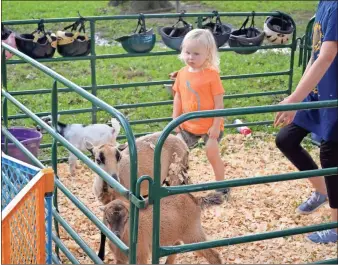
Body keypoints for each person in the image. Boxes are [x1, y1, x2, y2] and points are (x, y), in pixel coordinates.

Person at [274, 0, 337, 244]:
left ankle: (336, 228)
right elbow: (316, 54)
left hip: (334, 93)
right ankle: (322, 191)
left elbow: (328, 56)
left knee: (331, 155)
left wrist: (294, 99)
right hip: (320, 91)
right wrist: (298, 95)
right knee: (286, 139)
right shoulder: (325, 3)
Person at [170, 28, 229, 195]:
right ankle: (179, 185)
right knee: (177, 153)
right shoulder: (181, 73)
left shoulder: (212, 75)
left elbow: (219, 103)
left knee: (212, 154)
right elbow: (178, 96)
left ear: (208, 54)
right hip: (188, 125)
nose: (190, 57)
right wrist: (176, 118)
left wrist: (216, 127)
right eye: (187, 52)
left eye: (196, 54)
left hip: (210, 125)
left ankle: (222, 186)